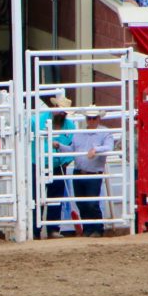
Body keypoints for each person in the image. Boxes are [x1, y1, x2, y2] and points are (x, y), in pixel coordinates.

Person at [70, 105, 114, 237]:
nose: (91, 121)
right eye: (89, 118)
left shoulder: (105, 132)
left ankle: (97, 229)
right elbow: (72, 148)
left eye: (94, 118)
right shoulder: (79, 134)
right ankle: (89, 229)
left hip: (93, 172)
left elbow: (109, 147)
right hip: (79, 171)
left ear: (98, 119)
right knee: (81, 203)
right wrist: (60, 147)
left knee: (91, 203)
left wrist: (96, 150)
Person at [45, 95, 76, 238]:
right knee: (37, 196)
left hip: (60, 165)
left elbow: (73, 145)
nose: (61, 113)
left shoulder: (70, 126)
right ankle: (35, 229)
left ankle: (53, 228)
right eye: (60, 110)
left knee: (55, 197)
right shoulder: (42, 121)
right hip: (42, 162)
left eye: (63, 112)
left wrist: (66, 161)